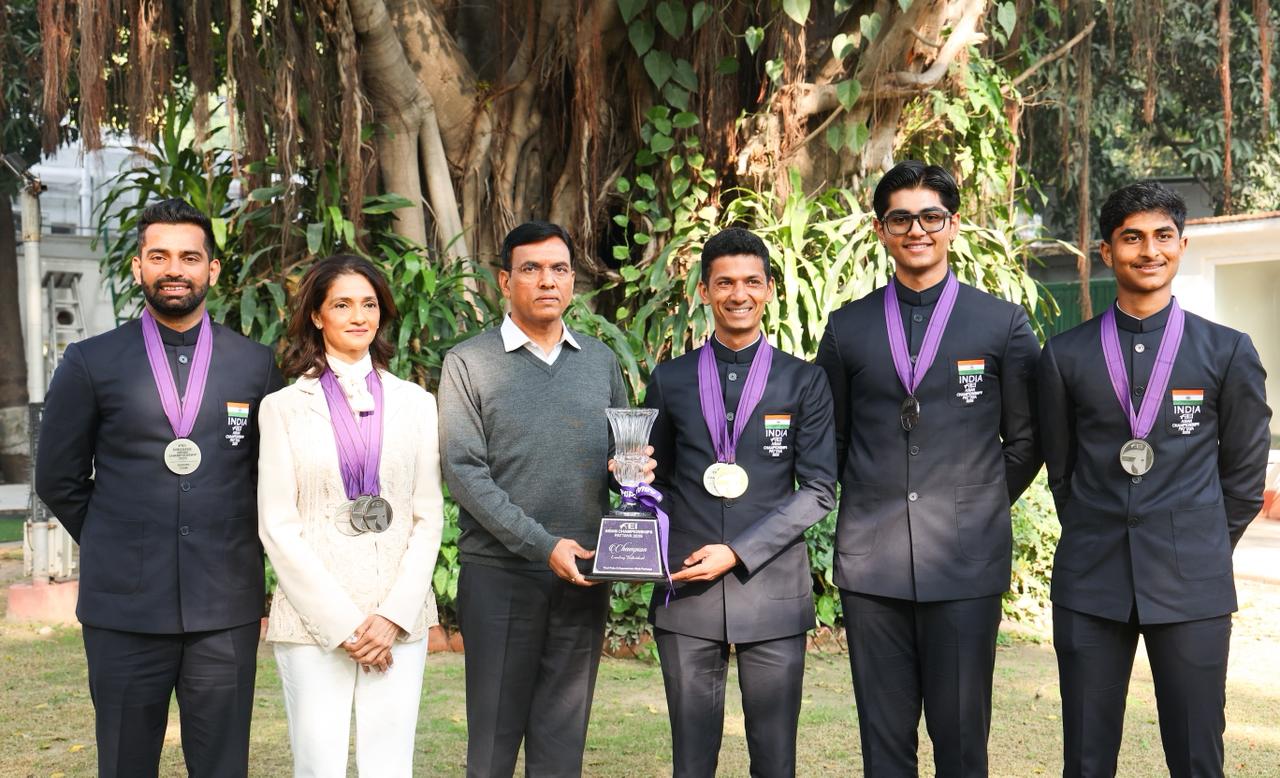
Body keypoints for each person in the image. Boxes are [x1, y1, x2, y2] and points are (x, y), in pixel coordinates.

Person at [34, 198, 284, 777]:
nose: (175, 269)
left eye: (190, 257)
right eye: (160, 256)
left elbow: (269, 475)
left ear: (212, 269)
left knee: (223, 766)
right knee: (125, 763)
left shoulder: (255, 365)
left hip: (224, 606)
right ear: (138, 266)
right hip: (123, 607)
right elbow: (58, 477)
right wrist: (115, 538)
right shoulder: (91, 361)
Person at [815, 161, 1041, 777]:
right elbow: (831, 439)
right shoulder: (847, 328)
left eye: (931, 217)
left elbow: (1026, 441)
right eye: (901, 219)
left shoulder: (1002, 323)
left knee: (962, 740)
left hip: (967, 563)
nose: (917, 230)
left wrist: (976, 504)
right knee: (883, 743)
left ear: (953, 225)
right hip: (872, 563)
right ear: (881, 230)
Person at [1038, 181, 1271, 778]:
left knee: (1197, 756)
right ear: (1107, 251)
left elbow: (1244, 477)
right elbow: (1061, 470)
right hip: (1091, 582)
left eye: (1163, 236)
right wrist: (1098, 530)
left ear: (1182, 245)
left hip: (1192, 584)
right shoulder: (1065, 356)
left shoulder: (1227, 351)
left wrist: (1197, 541)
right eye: (1132, 238)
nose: (1149, 250)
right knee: (1086, 758)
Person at [439, 221, 648, 777]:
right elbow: (464, 472)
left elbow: (621, 461)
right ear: (505, 282)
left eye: (559, 269)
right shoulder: (468, 362)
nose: (547, 281)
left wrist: (632, 477)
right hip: (500, 576)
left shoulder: (599, 361)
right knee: (493, 746)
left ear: (573, 280)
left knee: (562, 745)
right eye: (530, 269)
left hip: (582, 574)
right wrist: (543, 544)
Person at [643, 227, 836, 777]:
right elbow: (656, 480)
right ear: (704, 291)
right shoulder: (671, 379)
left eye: (752, 281)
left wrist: (737, 552)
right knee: (691, 760)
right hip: (687, 587)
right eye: (724, 282)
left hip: (770, 589)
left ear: (769, 289)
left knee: (774, 760)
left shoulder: (804, 381)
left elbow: (819, 489)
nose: (738, 294)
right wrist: (626, 477)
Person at [257, 254, 444, 776]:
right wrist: (343, 624)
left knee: (391, 765)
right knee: (318, 765)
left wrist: (392, 617)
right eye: (342, 305)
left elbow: (428, 517)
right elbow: (277, 525)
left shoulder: (416, 403)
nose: (359, 316)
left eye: (369, 304)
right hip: (313, 621)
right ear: (317, 316)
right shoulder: (283, 408)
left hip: (397, 619)